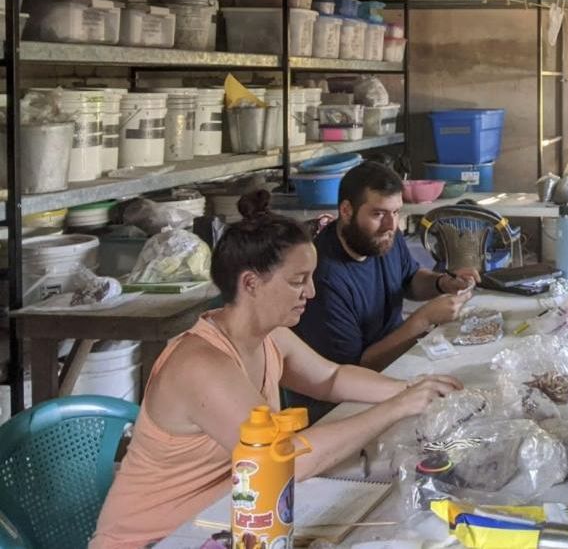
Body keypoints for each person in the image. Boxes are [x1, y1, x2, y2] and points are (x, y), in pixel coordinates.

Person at [90, 196, 463, 548]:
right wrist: (395, 408)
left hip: (221, 522)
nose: (311, 293)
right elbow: (285, 460)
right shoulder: (200, 364)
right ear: (250, 283)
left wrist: (413, 389)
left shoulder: (271, 338)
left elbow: (330, 379)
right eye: (298, 281)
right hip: (157, 540)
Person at [291, 162, 478, 419]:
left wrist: (441, 283)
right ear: (346, 210)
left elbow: (409, 279)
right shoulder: (323, 278)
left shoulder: (384, 237)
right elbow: (356, 369)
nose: (391, 225)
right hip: (343, 404)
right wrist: (424, 319)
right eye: (378, 214)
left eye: (396, 212)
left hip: (396, 365)